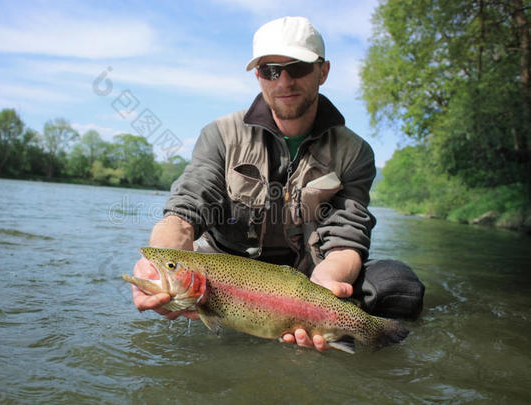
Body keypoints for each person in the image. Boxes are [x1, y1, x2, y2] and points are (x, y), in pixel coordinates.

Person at [131, 16, 425, 351]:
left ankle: (347, 331)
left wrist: (327, 286)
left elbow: (346, 239)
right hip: (224, 277)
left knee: (399, 287)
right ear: (258, 76)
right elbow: (186, 210)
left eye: (297, 68)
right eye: (270, 70)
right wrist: (162, 265)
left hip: (304, 278)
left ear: (323, 71)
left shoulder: (354, 152)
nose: (283, 81)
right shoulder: (221, 135)